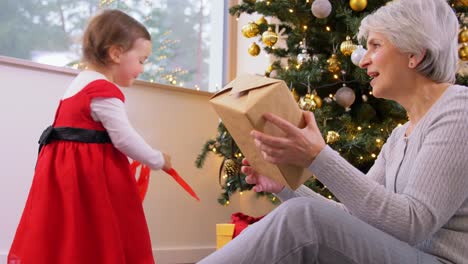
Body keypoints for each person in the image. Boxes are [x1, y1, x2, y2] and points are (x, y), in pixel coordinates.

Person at [199, 0, 467, 263]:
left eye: (376, 45)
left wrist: (317, 156)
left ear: (414, 54)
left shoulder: (459, 110)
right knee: (302, 213)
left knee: (304, 218)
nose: (363, 60)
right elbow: (355, 216)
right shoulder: (400, 136)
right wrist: (285, 188)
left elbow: (413, 223)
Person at [8, 9, 171, 264]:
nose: (142, 68)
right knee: (104, 228)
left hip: (65, 177)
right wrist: (158, 159)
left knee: (73, 231)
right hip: (92, 179)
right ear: (115, 53)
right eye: (141, 59)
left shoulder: (79, 82)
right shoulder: (103, 90)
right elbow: (124, 139)